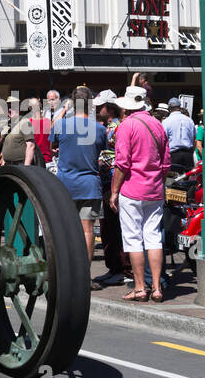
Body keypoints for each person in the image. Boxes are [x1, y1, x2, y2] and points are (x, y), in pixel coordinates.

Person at [110, 84, 171, 302]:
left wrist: (114, 192)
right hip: (154, 190)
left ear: (127, 106)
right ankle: (156, 288)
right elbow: (165, 163)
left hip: (132, 189)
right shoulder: (158, 124)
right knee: (154, 238)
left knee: (133, 239)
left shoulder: (126, 126)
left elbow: (122, 163)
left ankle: (139, 288)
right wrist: (157, 182)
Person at [49, 85, 107, 267]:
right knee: (87, 231)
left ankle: (67, 272)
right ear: (90, 104)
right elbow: (101, 151)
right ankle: (84, 274)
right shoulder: (99, 128)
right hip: (89, 183)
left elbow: (52, 143)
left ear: (73, 103)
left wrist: (65, 109)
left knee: (66, 230)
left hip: (66, 184)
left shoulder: (62, 124)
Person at [92, 90, 126, 289]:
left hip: (113, 183)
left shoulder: (116, 128)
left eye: (100, 106)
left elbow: (119, 158)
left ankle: (121, 269)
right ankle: (115, 267)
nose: (97, 109)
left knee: (113, 227)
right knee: (107, 227)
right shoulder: (107, 128)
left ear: (109, 108)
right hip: (107, 182)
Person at [163, 97, 196, 173]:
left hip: (173, 155)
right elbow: (194, 139)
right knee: (188, 182)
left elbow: (164, 140)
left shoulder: (166, 121)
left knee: (173, 181)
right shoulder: (189, 120)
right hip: (188, 154)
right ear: (180, 107)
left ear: (169, 108)